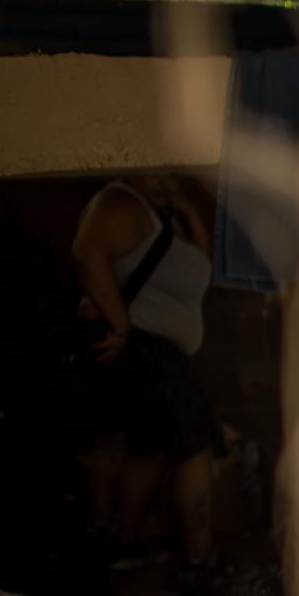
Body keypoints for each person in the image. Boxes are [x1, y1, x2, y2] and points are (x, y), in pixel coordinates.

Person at [70, 173, 218, 570]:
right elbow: (85, 253)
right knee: (195, 450)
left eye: (175, 176)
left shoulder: (160, 218)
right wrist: (119, 322)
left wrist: (185, 210)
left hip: (157, 354)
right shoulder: (118, 204)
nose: (167, 183)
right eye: (159, 173)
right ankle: (200, 563)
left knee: (148, 450)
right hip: (147, 354)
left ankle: (126, 544)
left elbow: (202, 267)